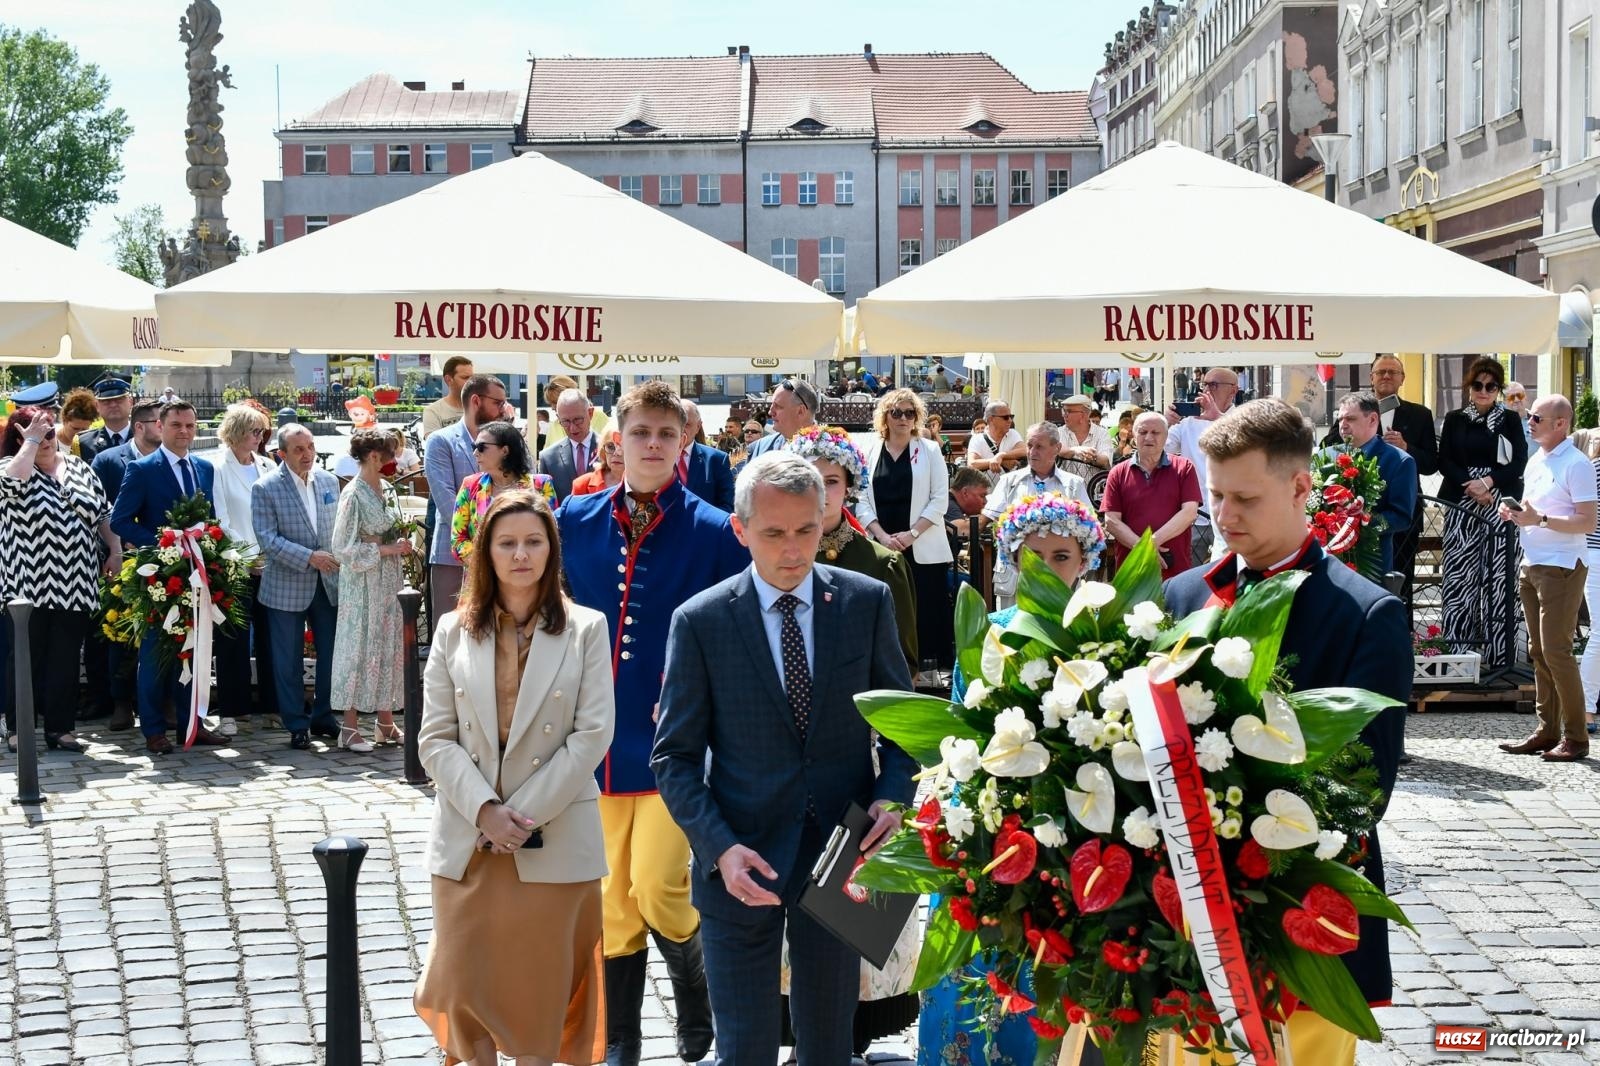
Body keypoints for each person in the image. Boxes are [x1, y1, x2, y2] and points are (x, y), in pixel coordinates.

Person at [1164, 398, 1410, 1066]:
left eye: (1245, 497)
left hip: (1301, 921)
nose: (1224, 515)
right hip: (1179, 928)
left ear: (1301, 486)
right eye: (1215, 494)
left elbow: (1363, 792)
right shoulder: (1181, 598)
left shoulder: (1367, 615)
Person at [652, 452, 917, 1066]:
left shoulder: (866, 602)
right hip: (740, 859)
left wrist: (891, 797)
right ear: (740, 530)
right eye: (773, 533)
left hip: (846, 855)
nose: (793, 549)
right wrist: (718, 847)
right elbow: (675, 759)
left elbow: (904, 730)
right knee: (743, 1049)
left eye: (807, 529)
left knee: (830, 1048)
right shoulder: (700, 621)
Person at [556, 381, 747, 1066]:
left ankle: (695, 994)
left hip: (675, 741)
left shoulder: (717, 530)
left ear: (684, 443)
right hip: (593, 738)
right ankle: (620, 1039)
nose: (654, 446)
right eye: (641, 433)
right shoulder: (572, 518)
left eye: (667, 435)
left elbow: (737, 629)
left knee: (662, 882)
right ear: (619, 440)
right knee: (610, 894)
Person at [415, 489, 614, 1066]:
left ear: (552, 550)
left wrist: (519, 817)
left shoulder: (587, 628)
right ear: (486, 552)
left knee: (540, 1004)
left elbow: (591, 734)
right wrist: (485, 812)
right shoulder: (453, 630)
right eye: (507, 543)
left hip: (552, 845)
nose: (521, 554)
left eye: (533, 542)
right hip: (469, 846)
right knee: (463, 992)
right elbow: (434, 738)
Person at [921, 492, 1105, 1066]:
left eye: (1062, 556)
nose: (1048, 568)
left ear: (1085, 560)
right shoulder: (989, 633)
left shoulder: (1107, 633)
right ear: (1012, 559)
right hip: (995, 829)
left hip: (1078, 832)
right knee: (978, 983)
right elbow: (959, 733)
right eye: (1035, 556)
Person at [0, 407, 121, 754]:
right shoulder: (11, 467)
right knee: (25, 659)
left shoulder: (80, 468)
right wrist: (31, 442)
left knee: (65, 659)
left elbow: (102, 512)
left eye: (51, 432)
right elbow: (11, 483)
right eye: (38, 433)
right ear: (19, 436)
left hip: (76, 580)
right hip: (28, 583)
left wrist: (113, 548)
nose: (47, 439)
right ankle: (18, 728)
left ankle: (60, 728)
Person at [110, 401, 228, 754]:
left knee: (195, 650)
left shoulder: (205, 468)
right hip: (158, 574)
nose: (185, 432)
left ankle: (192, 722)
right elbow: (120, 520)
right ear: (160, 427)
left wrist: (208, 543)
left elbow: (210, 518)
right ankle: (153, 729)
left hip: (198, 572)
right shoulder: (143, 469)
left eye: (190, 426)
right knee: (155, 654)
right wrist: (165, 542)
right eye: (177, 425)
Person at [1496, 395, 1597, 762]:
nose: (1530, 421)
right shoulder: (1538, 458)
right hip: (1533, 562)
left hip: (1562, 565)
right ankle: (1547, 729)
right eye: (1530, 416)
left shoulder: (1577, 463)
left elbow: (1588, 521)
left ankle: (1576, 736)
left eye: (1537, 417)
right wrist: (1517, 513)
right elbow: (1536, 510)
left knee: (1557, 651)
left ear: (1561, 423)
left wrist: (1538, 521)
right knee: (1538, 651)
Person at [252, 424, 343, 751]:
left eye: (310, 447)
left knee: (331, 655)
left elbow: (337, 530)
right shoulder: (265, 488)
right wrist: (309, 557)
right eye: (298, 450)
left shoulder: (329, 481)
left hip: (327, 582)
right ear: (281, 454)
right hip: (286, 584)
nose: (307, 455)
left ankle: (323, 716)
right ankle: (296, 723)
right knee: (287, 660)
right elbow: (268, 539)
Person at [1437, 357, 1527, 671]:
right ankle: (1457, 657)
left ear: (1498, 389)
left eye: (1491, 386)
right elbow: (1444, 460)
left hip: (1501, 499)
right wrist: (1471, 485)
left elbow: (1518, 463)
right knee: (1460, 576)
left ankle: (1500, 657)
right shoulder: (1455, 418)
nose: (1484, 391)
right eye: (1478, 385)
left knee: (1500, 578)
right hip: (1462, 500)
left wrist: (1487, 482)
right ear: (1469, 387)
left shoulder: (1511, 420)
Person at [330, 429, 414, 754]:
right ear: (375, 456)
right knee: (359, 646)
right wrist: (385, 549)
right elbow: (342, 548)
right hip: (363, 585)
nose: (394, 460)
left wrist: (399, 543)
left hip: (388, 581)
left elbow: (391, 529)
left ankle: (385, 721)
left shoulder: (388, 489)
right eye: (390, 454)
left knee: (388, 644)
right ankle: (349, 728)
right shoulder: (352, 494)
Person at [857, 388, 956, 667]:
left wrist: (912, 535)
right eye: (896, 412)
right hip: (882, 543)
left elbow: (940, 500)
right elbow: (860, 498)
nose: (902, 418)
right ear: (885, 417)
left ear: (916, 418)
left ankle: (928, 668)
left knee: (926, 608)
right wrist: (882, 536)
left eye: (909, 413)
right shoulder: (870, 450)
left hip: (920, 543)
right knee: (885, 607)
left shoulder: (930, 450)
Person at [210, 404, 278, 738]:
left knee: (272, 637)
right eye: (255, 431)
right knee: (233, 641)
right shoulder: (218, 467)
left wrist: (270, 553)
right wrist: (249, 556)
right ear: (237, 432)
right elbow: (220, 519)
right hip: (236, 564)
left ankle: (272, 705)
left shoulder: (267, 464)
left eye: (263, 432)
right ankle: (232, 710)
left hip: (272, 563)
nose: (260, 437)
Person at [426, 375, 512, 625]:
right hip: (452, 557)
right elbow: (447, 504)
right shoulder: (441, 441)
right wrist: (484, 548)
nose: (502, 409)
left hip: (501, 558)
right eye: (498, 403)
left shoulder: (506, 441)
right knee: (450, 635)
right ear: (476, 401)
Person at [980, 423, 1093, 602]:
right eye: (1029, 445)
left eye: (1039, 446)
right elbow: (988, 521)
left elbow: (1088, 529)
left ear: (1057, 448)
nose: (1032, 452)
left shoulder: (1073, 484)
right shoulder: (1009, 482)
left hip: (1058, 576)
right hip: (1015, 575)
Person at [1366, 355, 1439, 616]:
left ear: (1402, 379)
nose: (1386, 376)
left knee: (1402, 580)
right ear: (1371, 377)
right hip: (1361, 511)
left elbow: (1431, 463)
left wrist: (1407, 448)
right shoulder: (1356, 409)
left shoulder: (1420, 415)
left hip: (1403, 512)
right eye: (1381, 372)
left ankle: (1402, 641)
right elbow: (1332, 441)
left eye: (1392, 372)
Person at [1102, 411, 1203, 578]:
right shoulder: (1118, 472)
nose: (1149, 437)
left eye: (1155, 432)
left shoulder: (1184, 468)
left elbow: (1189, 513)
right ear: (1134, 435)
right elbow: (1111, 521)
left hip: (1174, 568)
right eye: (1143, 432)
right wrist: (1143, 550)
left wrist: (1152, 542)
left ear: (1166, 436)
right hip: (1131, 569)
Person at [1331, 393, 1418, 576]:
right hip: (1331, 561)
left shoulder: (1399, 461)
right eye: (1340, 419)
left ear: (1372, 420)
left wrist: (1361, 522)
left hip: (1370, 564)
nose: (1343, 425)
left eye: (1350, 419)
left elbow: (1401, 517)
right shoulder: (1327, 457)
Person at [453, 421, 557, 562]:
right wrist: (489, 564)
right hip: (482, 578)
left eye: (481, 447)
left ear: (505, 451)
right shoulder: (470, 486)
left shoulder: (541, 485)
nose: (475, 453)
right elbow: (457, 540)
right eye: (474, 446)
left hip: (528, 572)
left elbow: (553, 534)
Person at [1166, 366, 1239, 563]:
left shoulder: (1243, 419)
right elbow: (1159, 450)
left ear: (1233, 390)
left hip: (1231, 517)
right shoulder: (1189, 422)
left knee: (1227, 577)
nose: (1207, 389)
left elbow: (1253, 447)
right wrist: (1165, 423)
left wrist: (1218, 418)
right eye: (1204, 384)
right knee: (1191, 575)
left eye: (1213, 385)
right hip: (1194, 516)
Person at [538, 388, 600, 500]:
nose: (572, 428)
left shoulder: (610, 450)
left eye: (578, 420)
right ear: (558, 418)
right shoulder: (548, 458)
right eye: (565, 421)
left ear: (590, 413)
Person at [678, 400, 735, 513]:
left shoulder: (717, 460)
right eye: (677, 424)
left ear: (698, 426)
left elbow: (727, 505)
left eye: (687, 425)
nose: (681, 430)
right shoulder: (657, 457)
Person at [746, 378, 820, 462]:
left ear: (800, 411)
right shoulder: (759, 448)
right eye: (772, 405)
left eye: (778, 407)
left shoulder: (831, 450)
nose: (770, 412)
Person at [77, 377, 135, 462]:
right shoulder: (83, 443)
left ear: (130, 402)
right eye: (106, 401)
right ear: (97, 406)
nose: (113, 405)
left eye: (119, 399)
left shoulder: (146, 438)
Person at [1058, 394, 1114, 482]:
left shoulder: (1102, 433)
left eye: (1068, 411)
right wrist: (1074, 450)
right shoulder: (1058, 432)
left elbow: (1105, 460)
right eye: (1063, 411)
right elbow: (1053, 448)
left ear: (1083, 415)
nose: (1064, 415)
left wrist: (1093, 457)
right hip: (1065, 493)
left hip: (1092, 492)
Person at [965, 400, 1025, 475]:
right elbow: (972, 464)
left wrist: (1001, 455)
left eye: (1011, 416)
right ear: (991, 419)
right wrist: (998, 461)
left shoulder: (1013, 433)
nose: (1010, 420)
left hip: (1010, 486)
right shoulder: (977, 439)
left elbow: (1025, 450)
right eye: (1005, 417)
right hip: (987, 486)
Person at [421, 355, 474, 439]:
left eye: (472, 377)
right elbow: (434, 447)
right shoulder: (433, 411)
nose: (471, 382)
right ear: (448, 380)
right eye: (465, 377)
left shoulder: (480, 407)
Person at [56, 387, 97, 458]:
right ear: (64, 420)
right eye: (75, 428)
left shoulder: (94, 441)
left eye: (84, 430)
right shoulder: (49, 442)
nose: (78, 434)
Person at [1505, 381, 1534, 445]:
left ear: (1525, 397)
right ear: (1505, 401)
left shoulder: (1535, 420)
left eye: (1519, 396)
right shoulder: (1500, 423)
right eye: (1511, 397)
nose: (1516, 400)